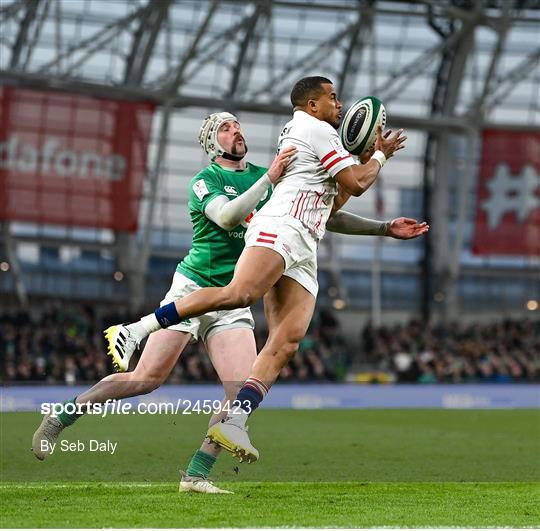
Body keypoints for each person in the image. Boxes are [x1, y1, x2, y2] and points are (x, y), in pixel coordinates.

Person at [104, 76, 412, 464]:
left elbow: (333, 205)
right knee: (240, 294)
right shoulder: (312, 127)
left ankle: (234, 422)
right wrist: (379, 156)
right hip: (281, 227)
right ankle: (138, 329)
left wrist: (384, 226)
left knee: (286, 343)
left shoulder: (318, 137)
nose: (339, 103)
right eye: (331, 97)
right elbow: (357, 182)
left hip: (305, 243)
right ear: (312, 105)